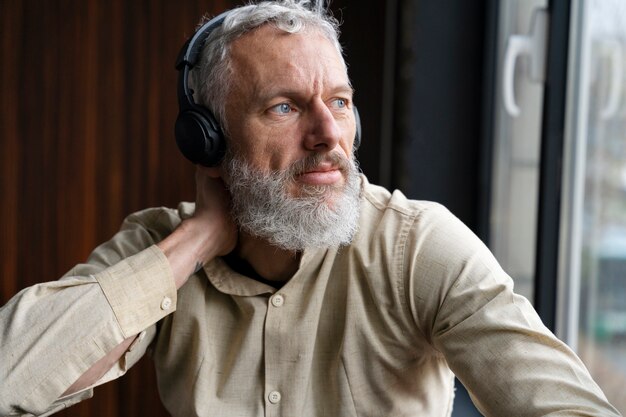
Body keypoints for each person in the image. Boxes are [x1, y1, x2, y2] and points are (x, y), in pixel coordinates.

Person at [0, 1, 621, 416]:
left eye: (341, 102)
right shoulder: (162, 247)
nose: (330, 134)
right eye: (285, 107)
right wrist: (197, 240)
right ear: (207, 140)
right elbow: (12, 377)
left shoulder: (418, 248)